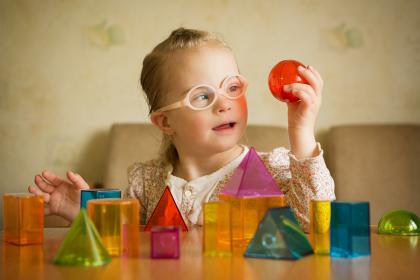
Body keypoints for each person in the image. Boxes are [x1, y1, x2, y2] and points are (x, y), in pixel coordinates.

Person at [29, 28, 335, 232]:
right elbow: (126, 242)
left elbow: (315, 221)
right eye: (202, 96)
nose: (224, 104)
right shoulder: (145, 183)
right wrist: (86, 213)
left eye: (231, 87)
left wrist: (301, 131)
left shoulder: (273, 169)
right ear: (165, 122)